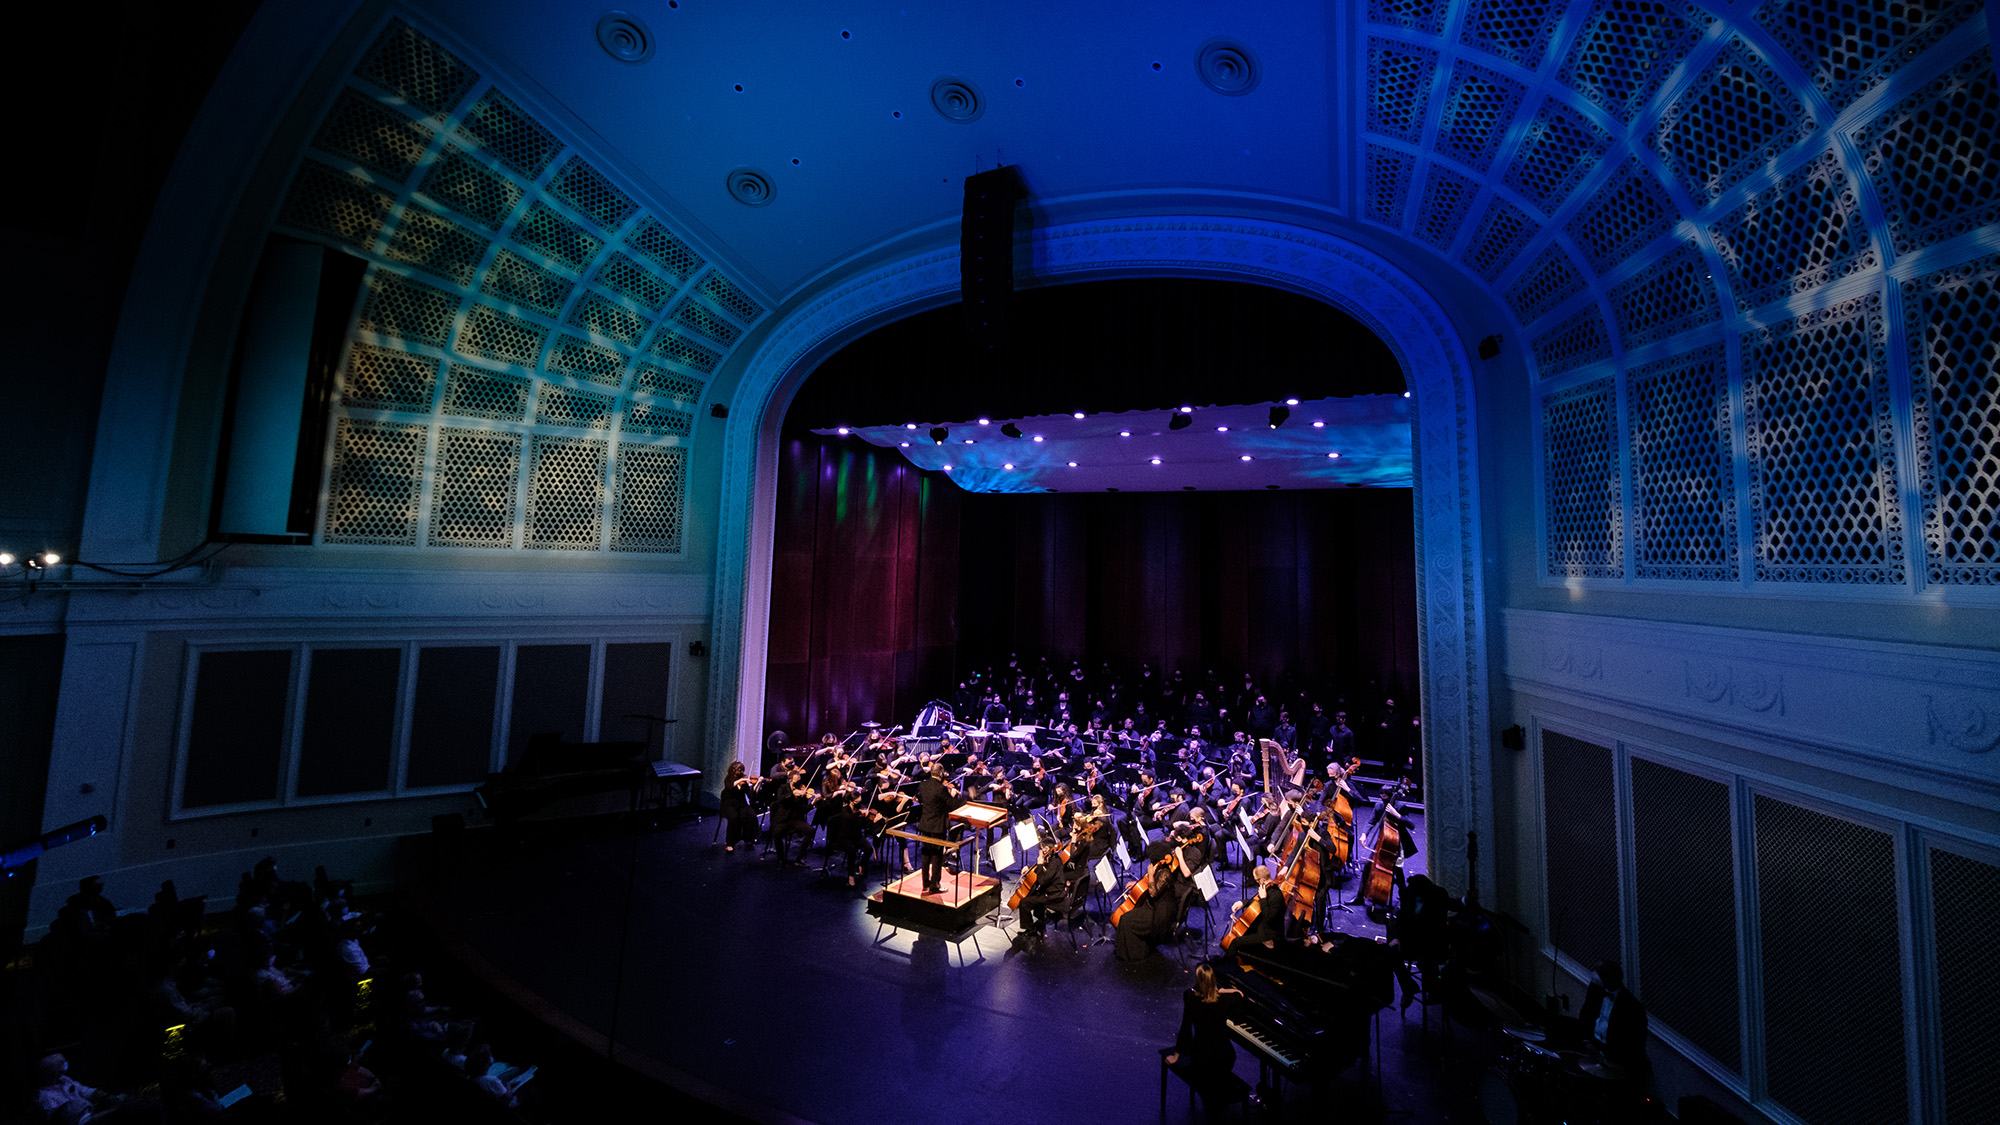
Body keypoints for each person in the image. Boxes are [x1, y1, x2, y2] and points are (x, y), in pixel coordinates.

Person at [1165, 962, 1246, 1081]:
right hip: (1225, 1056)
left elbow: (1185, 1028)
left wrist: (1176, 1055)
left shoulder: (1190, 997)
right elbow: (1240, 994)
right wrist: (1222, 991)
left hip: (1201, 1056)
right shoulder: (1226, 999)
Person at [1577, 960, 1648, 1072]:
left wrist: (1605, 1055)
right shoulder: (1595, 989)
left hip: (1615, 1056)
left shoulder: (1633, 1008)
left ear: (1609, 980)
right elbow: (1586, 1015)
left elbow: (1634, 1044)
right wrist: (1587, 1041)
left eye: (1599, 975)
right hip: (1593, 1045)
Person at [916, 761, 961, 894]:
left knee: (925, 855)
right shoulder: (941, 788)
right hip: (937, 827)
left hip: (924, 824)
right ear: (941, 774)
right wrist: (954, 794)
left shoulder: (923, 785)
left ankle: (925, 883)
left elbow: (922, 800)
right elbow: (952, 805)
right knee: (936, 857)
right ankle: (934, 885)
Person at [1230, 864, 1287, 948]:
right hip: (1262, 927)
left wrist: (1263, 899)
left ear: (1262, 880)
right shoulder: (1266, 887)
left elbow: (1269, 918)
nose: (1256, 882)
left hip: (1268, 935)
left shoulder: (1276, 895)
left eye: (1256, 880)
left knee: (1235, 942)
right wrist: (1243, 903)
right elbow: (1256, 901)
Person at [719, 760, 760, 852]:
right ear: (733, 771)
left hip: (741, 804)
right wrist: (741, 780)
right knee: (734, 818)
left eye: (742, 770)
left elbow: (750, 795)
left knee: (751, 815)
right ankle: (730, 843)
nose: (741, 773)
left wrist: (755, 785)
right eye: (739, 771)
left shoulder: (745, 780)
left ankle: (749, 838)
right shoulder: (728, 779)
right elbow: (730, 787)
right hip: (729, 804)